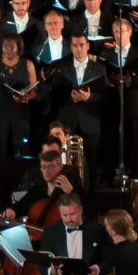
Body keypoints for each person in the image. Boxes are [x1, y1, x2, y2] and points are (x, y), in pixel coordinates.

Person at [50, 33, 106, 189]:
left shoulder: (99, 69)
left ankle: (89, 206)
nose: (79, 49)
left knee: (92, 168)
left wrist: (89, 97)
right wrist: (71, 98)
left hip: (91, 123)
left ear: (87, 46)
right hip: (68, 124)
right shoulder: (62, 68)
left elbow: (106, 96)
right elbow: (54, 95)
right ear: (71, 47)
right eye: (75, 45)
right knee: (66, 167)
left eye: (82, 45)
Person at [98, 18, 138, 179]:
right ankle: (108, 177)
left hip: (133, 103)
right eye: (116, 31)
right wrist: (109, 81)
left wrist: (130, 80)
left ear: (130, 32)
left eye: (123, 31)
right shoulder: (105, 54)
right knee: (110, 141)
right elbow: (100, 79)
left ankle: (135, 177)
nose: (119, 34)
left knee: (135, 142)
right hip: (111, 103)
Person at [0, 34, 37, 158]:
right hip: (0, 109)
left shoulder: (28, 64)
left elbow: (34, 90)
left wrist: (26, 97)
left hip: (20, 109)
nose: (9, 49)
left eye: (12, 45)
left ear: (19, 47)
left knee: (21, 143)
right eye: (5, 45)